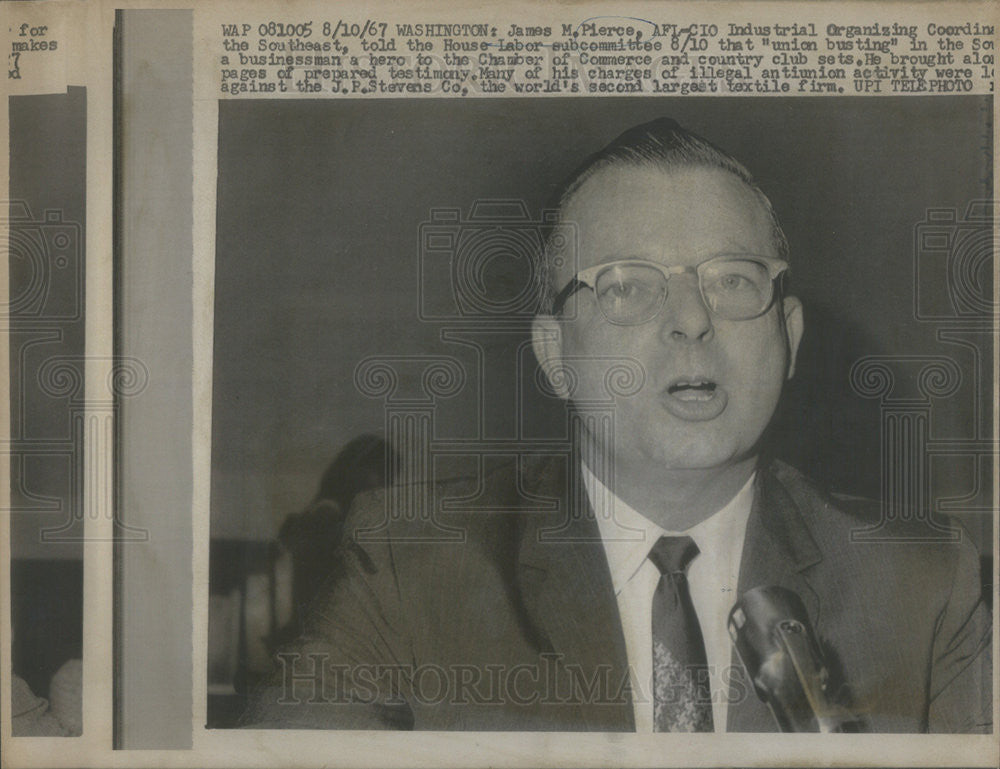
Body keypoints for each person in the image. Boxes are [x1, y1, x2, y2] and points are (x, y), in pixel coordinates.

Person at [243, 118, 991, 733]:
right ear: (556, 355)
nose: (693, 321)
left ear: (788, 338)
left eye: (733, 279)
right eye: (629, 286)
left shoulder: (923, 587)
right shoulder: (410, 567)